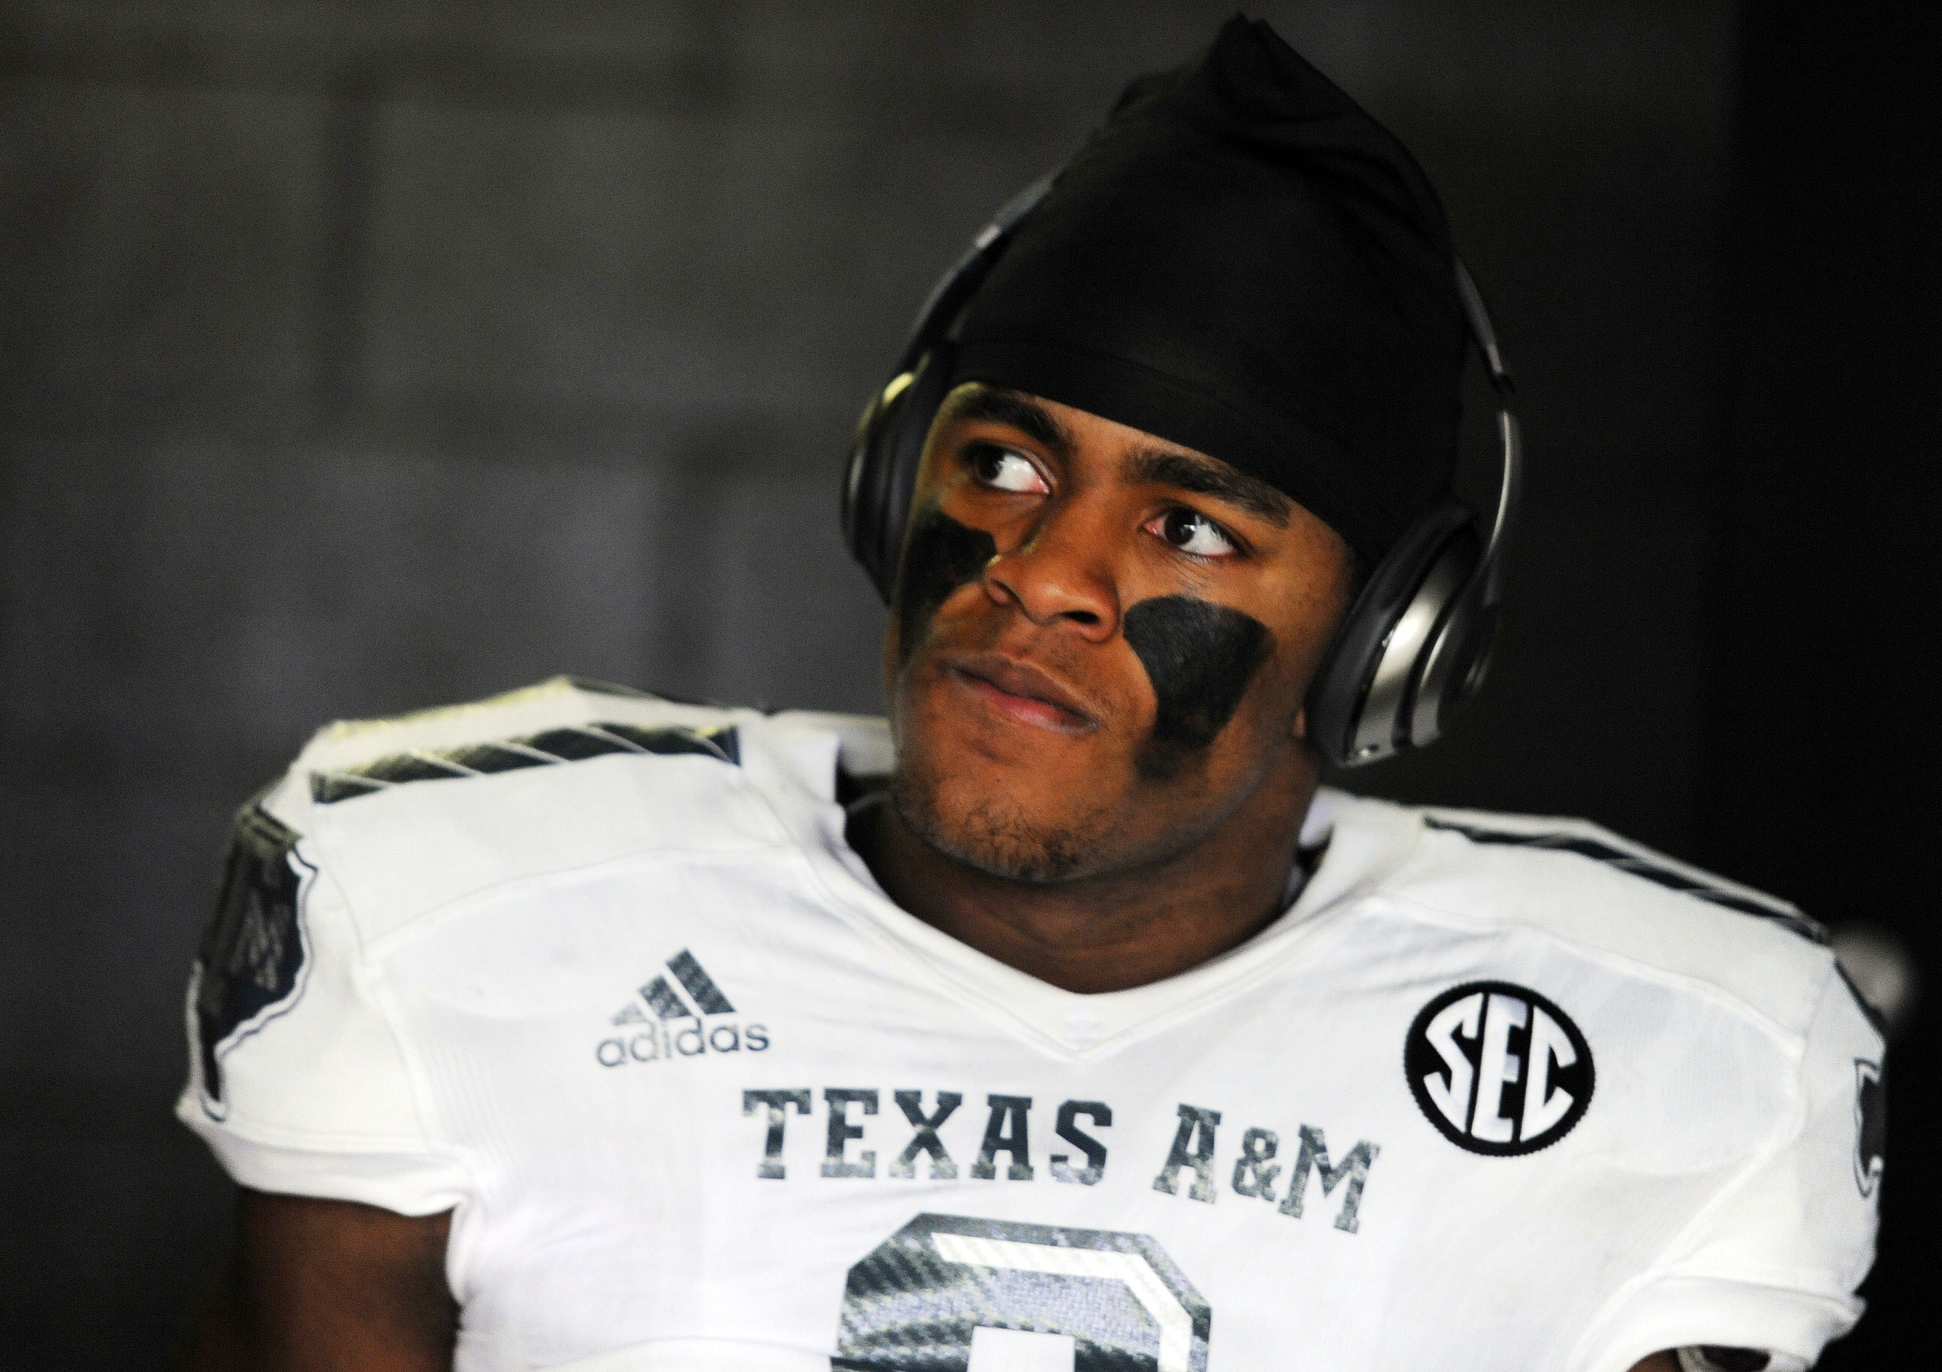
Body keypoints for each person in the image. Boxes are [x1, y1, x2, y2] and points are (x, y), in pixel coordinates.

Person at [175, 19, 1881, 1372]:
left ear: (1388, 644)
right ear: (888, 484)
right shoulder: (449, 910)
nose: (1041, 569)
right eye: (999, 460)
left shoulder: (1680, 1048)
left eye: (1192, 524)